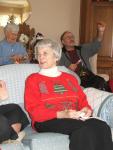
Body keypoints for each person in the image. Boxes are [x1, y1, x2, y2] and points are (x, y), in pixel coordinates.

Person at [24, 39, 113, 150]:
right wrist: (62, 114)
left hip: (74, 116)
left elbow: (82, 101)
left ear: (56, 56)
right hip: (47, 120)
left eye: (45, 53)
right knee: (84, 129)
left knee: (102, 126)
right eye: (39, 54)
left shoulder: (69, 78)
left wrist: (86, 109)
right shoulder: (33, 79)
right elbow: (34, 111)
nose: (41, 57)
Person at [59, 22, 112, 91]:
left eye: (72, 37)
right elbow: (57, 70)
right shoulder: (59, 54)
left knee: (101, 81)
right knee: (100, 83)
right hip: (75, 79)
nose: (71, 38)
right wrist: (68, 69)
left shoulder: (82, 49)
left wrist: (100, 31)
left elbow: (96, 44)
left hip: (89, 76)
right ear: (63, 42)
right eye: (68, 37)